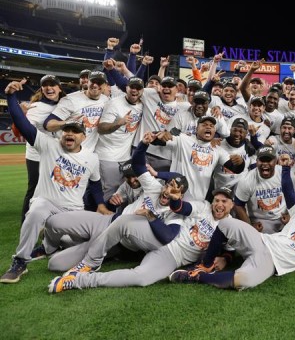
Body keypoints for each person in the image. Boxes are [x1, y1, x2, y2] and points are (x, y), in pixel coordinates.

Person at [168, 154, 295, 291]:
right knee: (226, 224)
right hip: (262, 240)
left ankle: (197, 276)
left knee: (245, 280)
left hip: (273, 263)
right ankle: (205, 265)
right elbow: (287, 189)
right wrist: (286, 168)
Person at [1, 79, 105, 284]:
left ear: (83, 137)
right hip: (47, 203)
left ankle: (49, 246)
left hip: (73, 210)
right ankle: (20, 261)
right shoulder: (48, 145)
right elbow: (22, 125)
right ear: (61, 134)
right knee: (37, 210)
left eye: (75, 132)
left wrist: (100, 204)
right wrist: (11, 96)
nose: (70, 134)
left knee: (84, 242)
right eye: (67, 130)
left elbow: (95, 184)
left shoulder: (92, 158)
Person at [45, 132, 190, 276]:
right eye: (169, 185)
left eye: (175, 191)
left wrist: (150, 215)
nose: (169, 191)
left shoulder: (177, 211)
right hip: (107, 221)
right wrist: (144, 144)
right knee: (54, 221)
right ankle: (56, 245)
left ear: (181, 196)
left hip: (118, 241)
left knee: (55, 263)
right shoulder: (155, 187)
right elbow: (138, 165)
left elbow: (168, 236)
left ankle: (84, 250)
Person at [48, 186, 235, 293]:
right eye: (217, 200)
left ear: (232, 204)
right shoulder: (203, 206)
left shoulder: (232, 227)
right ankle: (90, 262)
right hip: (160, 239)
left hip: (172, 257)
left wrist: (225, 258)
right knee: (125, 222)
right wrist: (176, 200)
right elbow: (182, 208)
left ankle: (79, 280)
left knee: (142, 278)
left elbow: (233, 250)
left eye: (224, 201)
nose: (219, 204)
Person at [18, 74, 67, 223]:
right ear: (41, 89)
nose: (49, 87)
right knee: (34, 190)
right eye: (45, 85)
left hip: (58, 155)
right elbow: (27, 132)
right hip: (37, 157)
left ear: (59, 88)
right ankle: (26, 224)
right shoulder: (36, 107)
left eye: (52, 84)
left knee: (58, 191)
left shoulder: (65, 105)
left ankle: (51, 224)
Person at [95, 76, 144, 200]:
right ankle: (102, 217)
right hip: (107, 156)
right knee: (109, 191)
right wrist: (119, 123)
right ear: (126, 88)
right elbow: (101, 128)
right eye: (132, 87)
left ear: (142, 91)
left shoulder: (142, 104)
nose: (134, 90)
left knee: (122, 192)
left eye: (138, 88)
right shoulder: (114, 104)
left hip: (125, 156)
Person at [233, 145, 295, 234]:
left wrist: (291, 214)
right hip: (261, 220)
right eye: (262, 160)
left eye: (269, 160)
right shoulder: (247, 179)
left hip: (283, 216)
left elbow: (294, 196)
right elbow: (238, 205)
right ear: (256, 161)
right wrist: (250, 227)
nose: (265, 163)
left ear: (276, 161)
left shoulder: (286, 174)